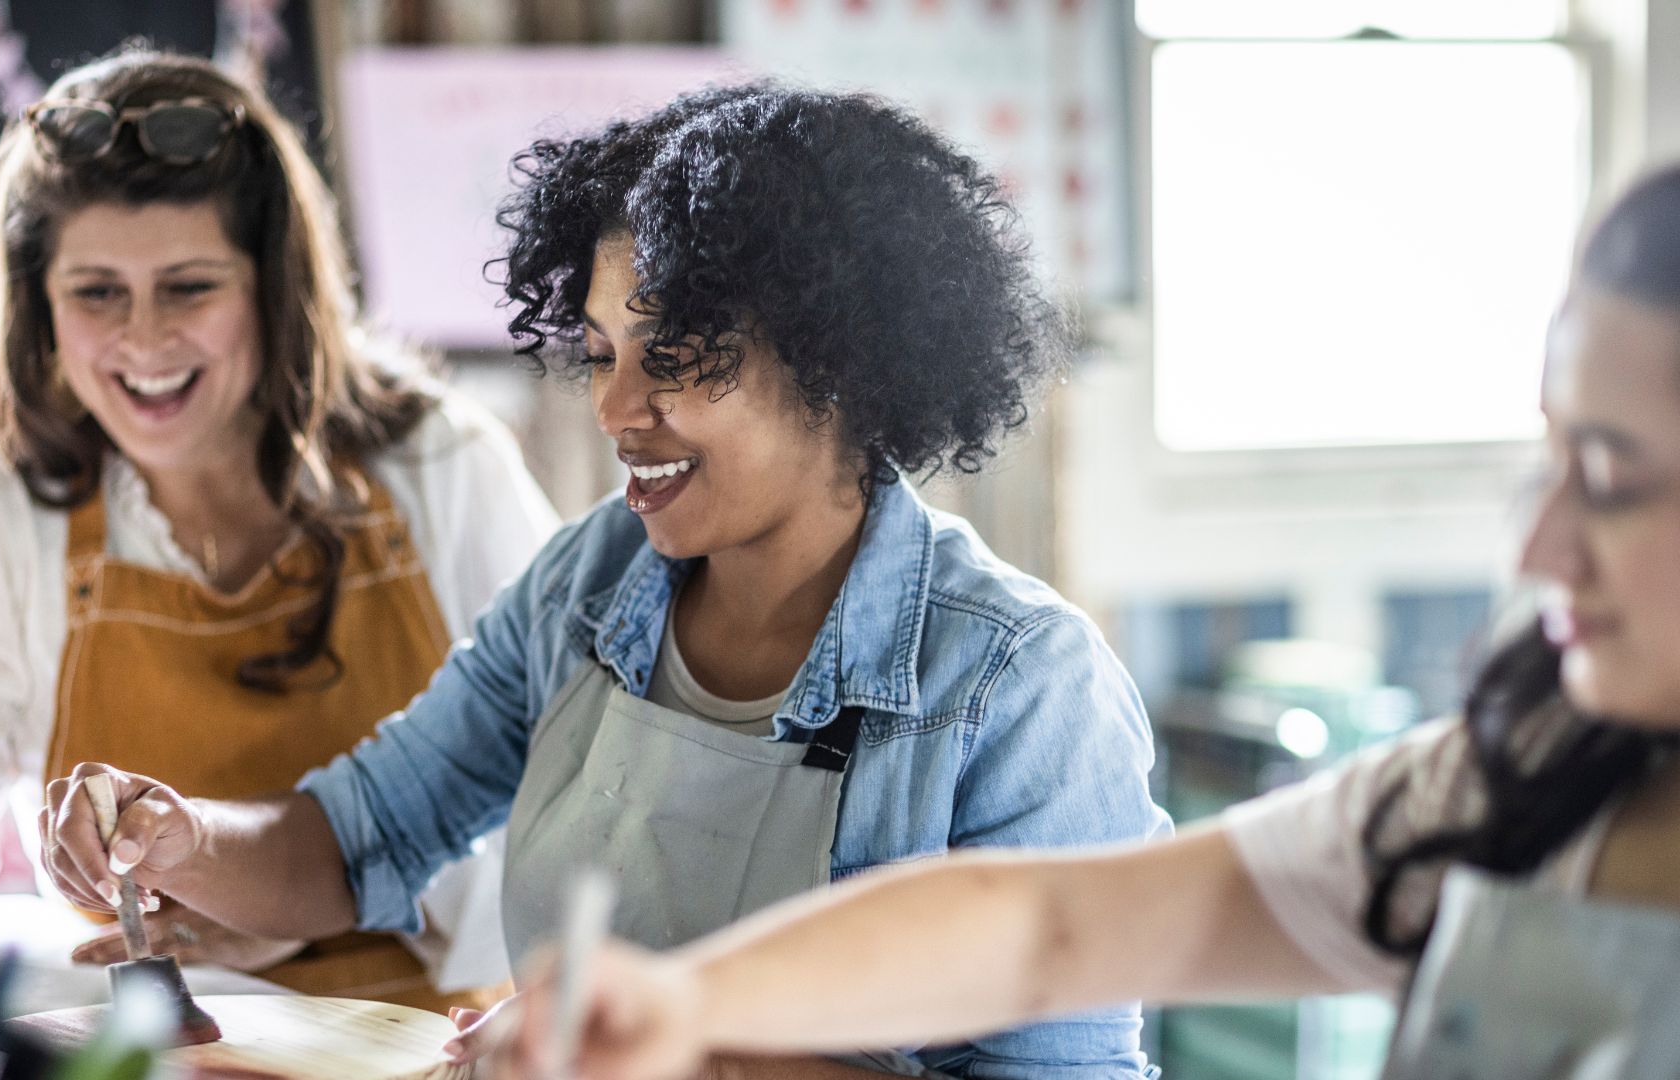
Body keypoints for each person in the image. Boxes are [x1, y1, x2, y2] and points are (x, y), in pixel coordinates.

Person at [39, 83, 1171, 1078]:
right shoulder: (593, 578)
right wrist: (182, 836)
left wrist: (691, 1057)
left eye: (672, 355)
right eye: (598, 352)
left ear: (839, 360)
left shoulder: (1019, 685)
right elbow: (365, 837)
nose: (618, 410)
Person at [495, 162, 1680, 1080]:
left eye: (1616, 477)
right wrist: (695, 1005)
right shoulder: (1520, 781)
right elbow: (1049, 924)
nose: (1537, 549)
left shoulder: (1017, 660)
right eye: (1551, 460)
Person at [0, 50, 557, 1011]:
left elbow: (575, 796)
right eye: (97, 291)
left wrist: (305, 897)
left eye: (190, 287)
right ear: (39, 307)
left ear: (274, 291)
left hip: (447, 1039)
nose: (144, 342)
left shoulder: (441, 463)